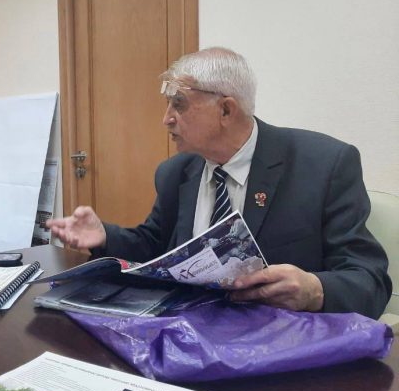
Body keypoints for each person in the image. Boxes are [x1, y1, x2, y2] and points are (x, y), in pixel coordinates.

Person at [47, 47, 391, 319]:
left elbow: (370, 280)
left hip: (280, 345)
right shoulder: (176, 172)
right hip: (188, 335)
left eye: (178, 104)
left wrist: (315, 289)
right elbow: (157, 248)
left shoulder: (324, 165)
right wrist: (105, 237)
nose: (166, 119)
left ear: (226, 110)